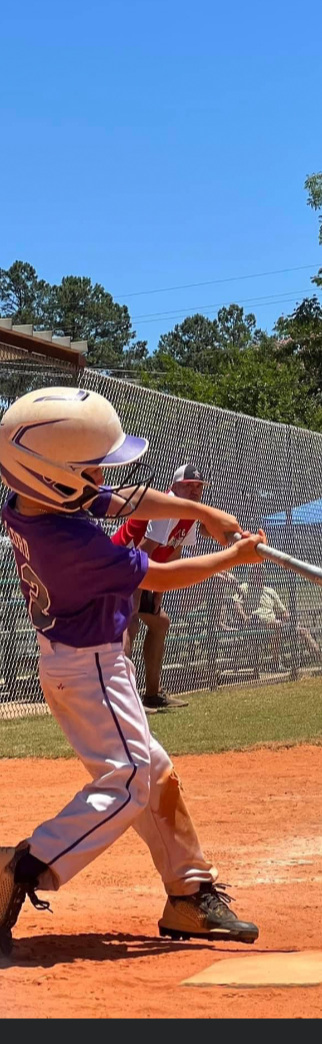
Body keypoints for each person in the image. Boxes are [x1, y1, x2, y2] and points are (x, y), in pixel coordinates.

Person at [0, 386, 267, 957]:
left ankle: (188, 893)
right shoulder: (71, 542)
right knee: (127, 782)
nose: (101, 478)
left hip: (80, 664)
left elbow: (122, 499)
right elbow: (161, 578)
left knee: (155, 773)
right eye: (91, 469)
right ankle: (22, 866)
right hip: (89, 669)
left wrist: (203, 512)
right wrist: (233, 557)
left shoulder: (32, 501)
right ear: (54, 475)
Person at [111, 464, 209, 712]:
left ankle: (152, 695)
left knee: (160, 622)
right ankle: (125, 700)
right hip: (119, 565)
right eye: (189, 486)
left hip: (143, 569)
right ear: (174, 487)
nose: (195, 490)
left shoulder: (190, 512)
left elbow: (173, 553)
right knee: (129, 623)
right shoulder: (167, 505)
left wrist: (158, 593)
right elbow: (142, 551)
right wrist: (137, 597)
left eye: (199, 486)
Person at [231, 566, 322, 669]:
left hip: (275, 624)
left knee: (303, 631)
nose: (258, 575)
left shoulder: (270, 591)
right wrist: (244, 617)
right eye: (255, 572)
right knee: (277, 625)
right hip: (256, 624)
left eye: (260, 572)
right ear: (250, 574)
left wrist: (288, 618)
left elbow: (283, 611)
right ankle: (276, 662)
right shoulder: (244, 587)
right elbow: (237, 603)